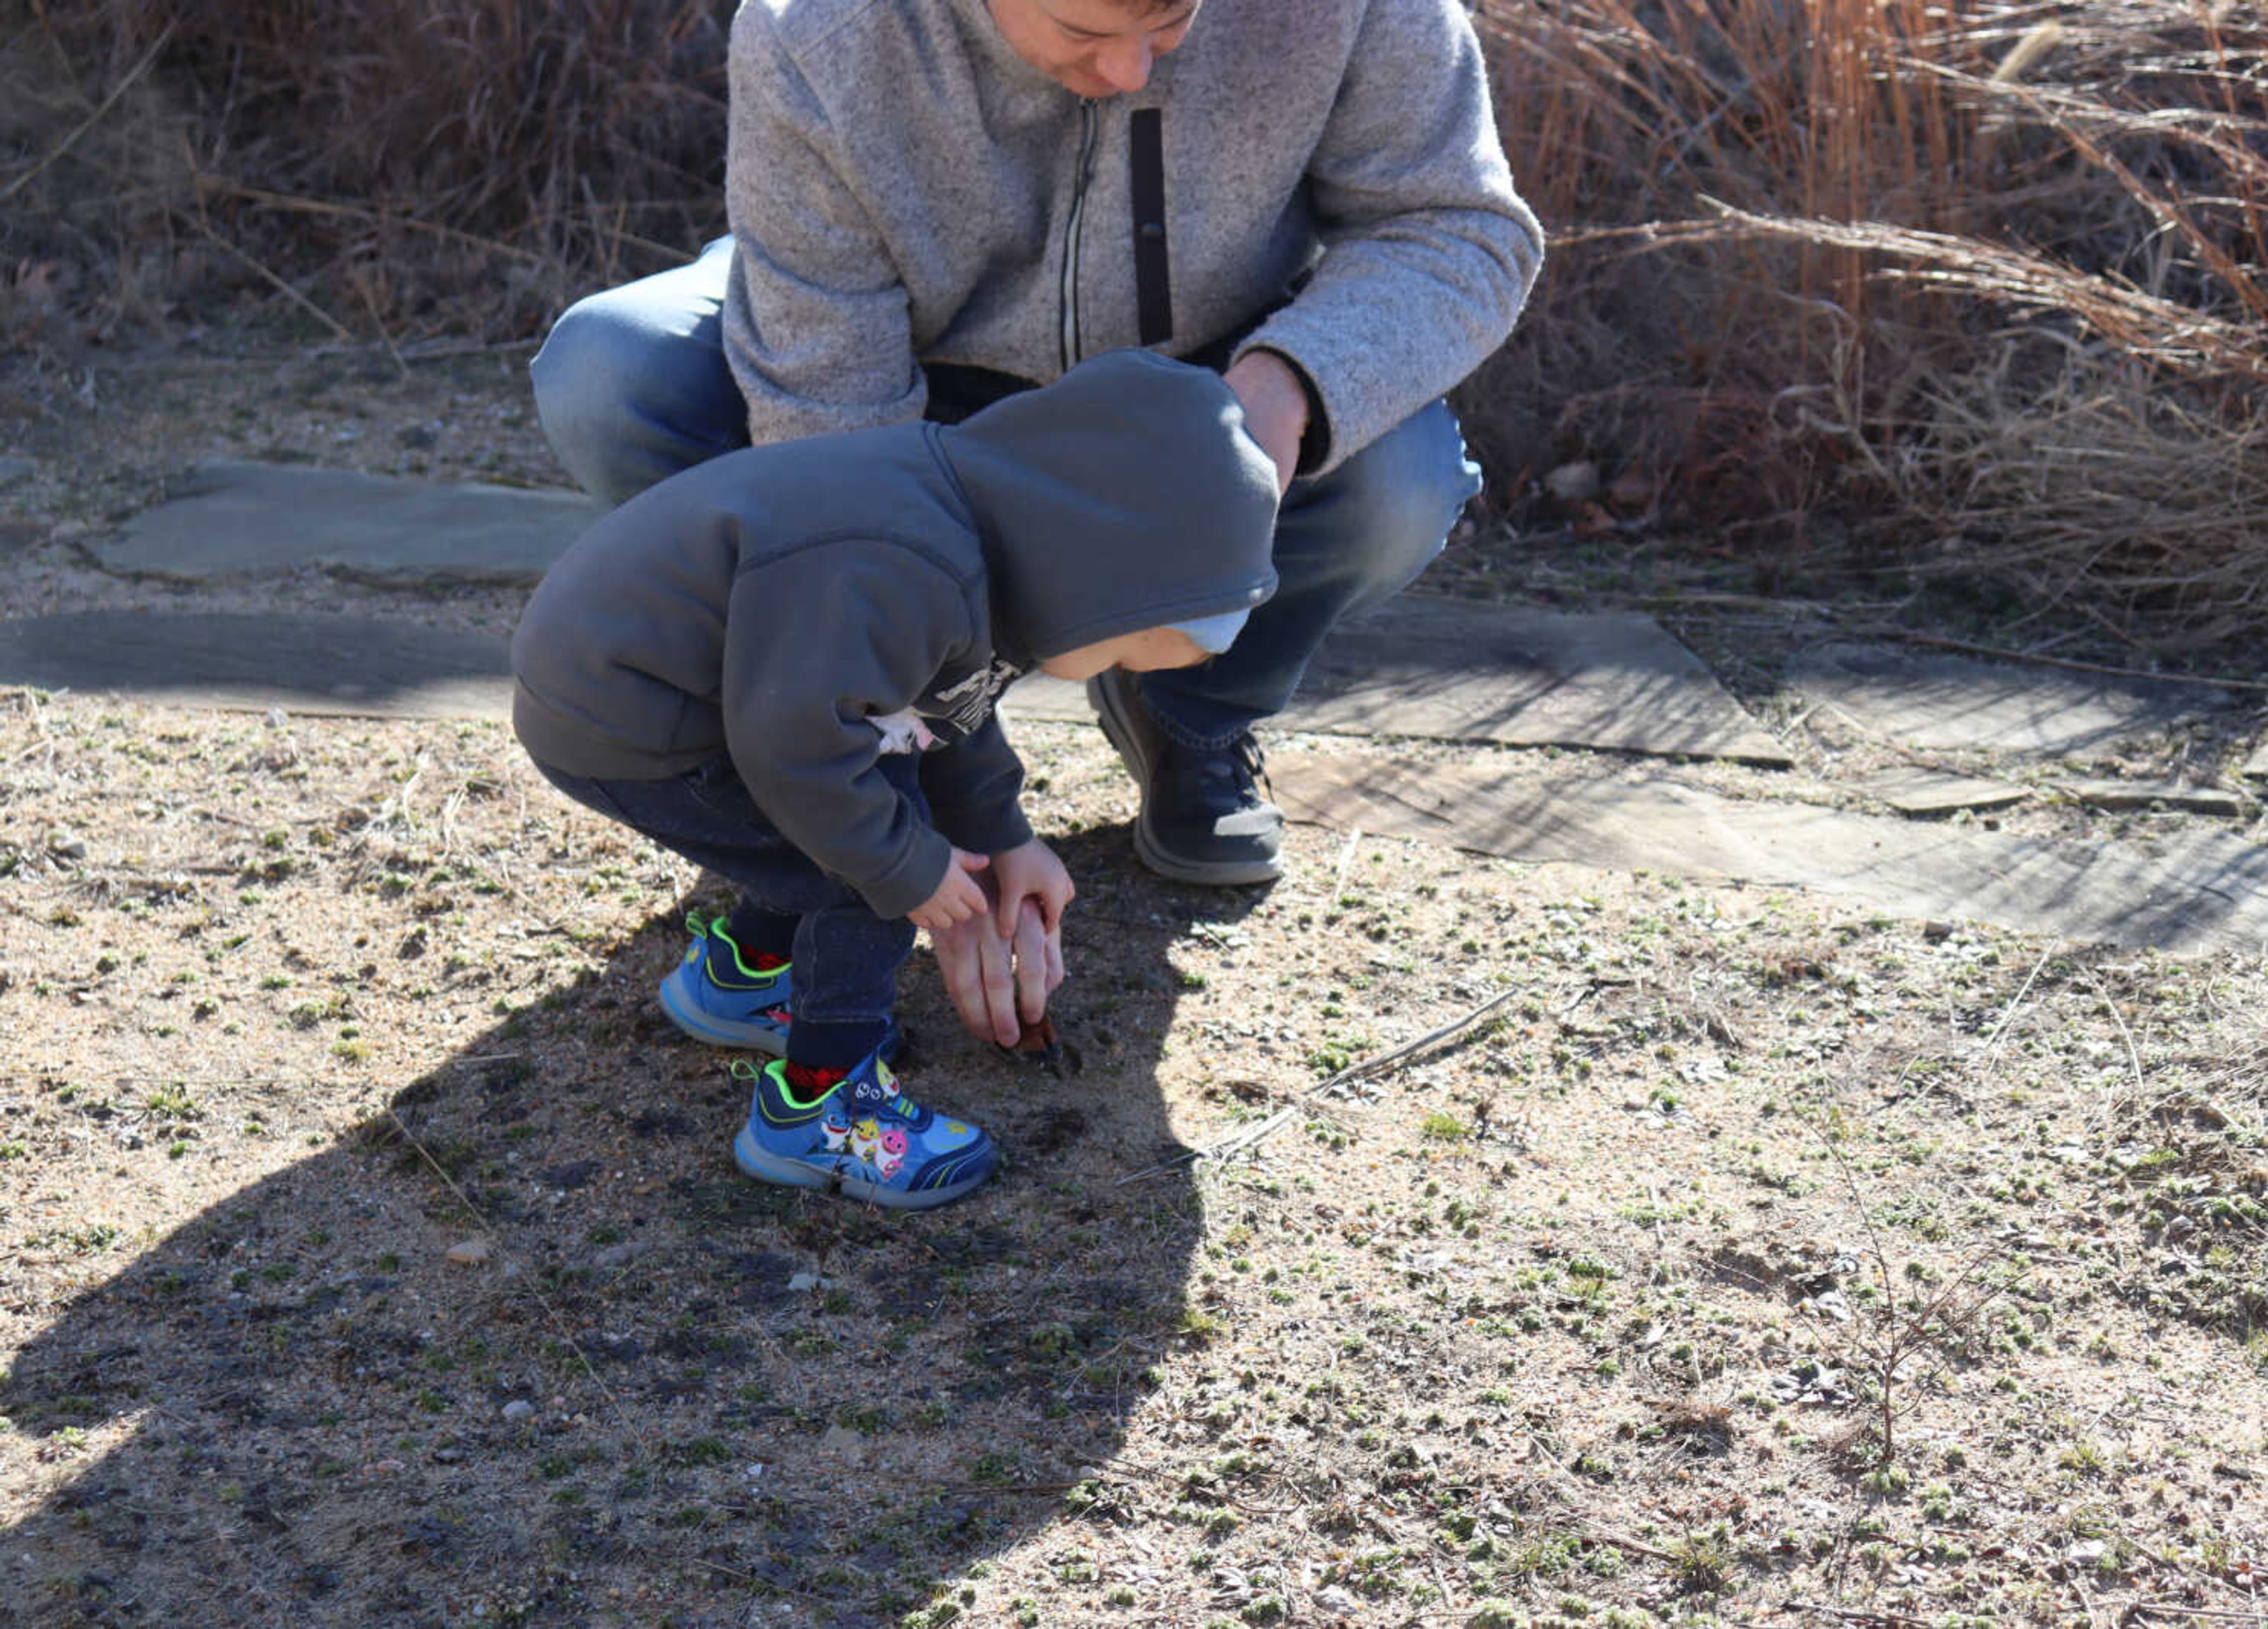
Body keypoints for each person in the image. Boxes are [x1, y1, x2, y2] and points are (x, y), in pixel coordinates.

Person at [529, 0, 1544, 892]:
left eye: (1176, 19)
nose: (1133, 72)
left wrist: (1277, 402)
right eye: (1087, 31)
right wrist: (957, 807)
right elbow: (832, 435)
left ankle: (1191, 713)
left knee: (1399, 484)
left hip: (1211, 371)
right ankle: (818, 734)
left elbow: (1459, 228)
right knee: (613, 376)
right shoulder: (818, 32)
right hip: (911, 373)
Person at [511, 349, 1280, 1207]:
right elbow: (793, 745)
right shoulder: (906, 563)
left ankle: (743, 975)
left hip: (700, 695)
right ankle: (818, 1114)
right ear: (1101, 565)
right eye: (1132, 649)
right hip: (625, 711)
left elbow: (940, 708)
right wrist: (906, 869)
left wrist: (1001, 834)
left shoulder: (980, 534)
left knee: (879, 823)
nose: (1124, 670)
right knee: (867, 869)